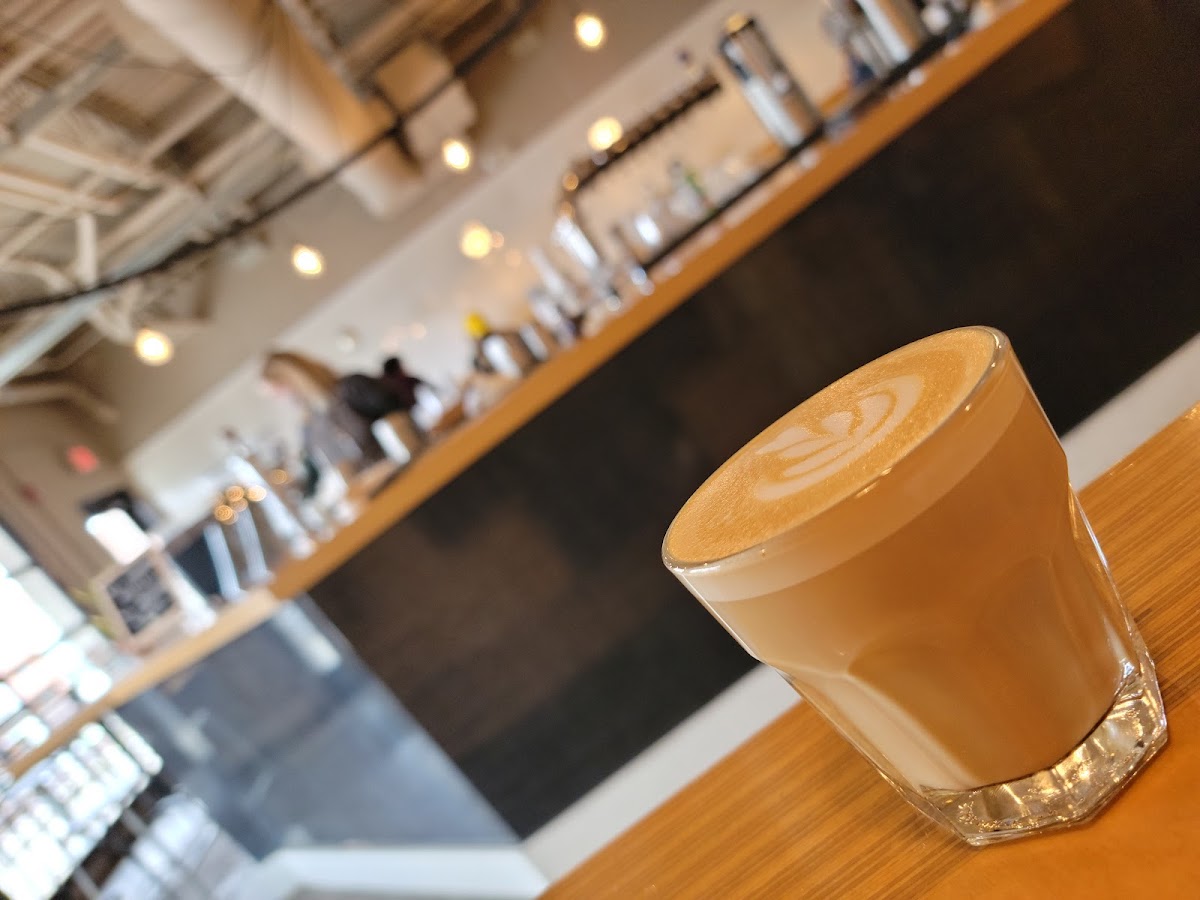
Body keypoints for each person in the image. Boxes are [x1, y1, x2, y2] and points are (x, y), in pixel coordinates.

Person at [260, 351, 404, 496]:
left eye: (279, 392)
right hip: (369, 500)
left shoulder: (352, 388)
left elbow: (403, 420)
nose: (282, 401)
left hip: (403, 478)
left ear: (295, 379)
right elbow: (315, 477)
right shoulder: (307, 429)